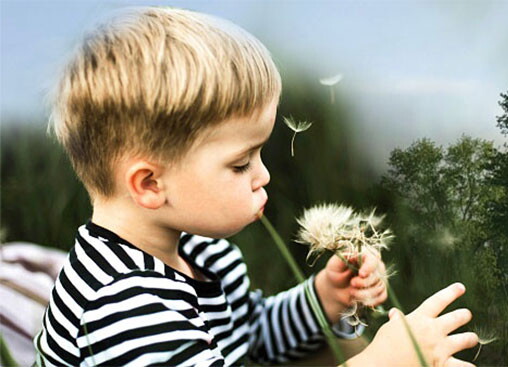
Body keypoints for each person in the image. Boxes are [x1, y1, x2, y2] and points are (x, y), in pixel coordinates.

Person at [34, 7, 477, 367]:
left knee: (332, 342)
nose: (263, 176)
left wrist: (324, 297)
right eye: (240, 163)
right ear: (150, 183)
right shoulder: (126, 310)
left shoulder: (201, 250)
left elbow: (252, 334)